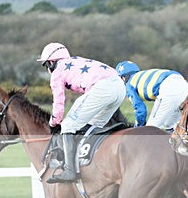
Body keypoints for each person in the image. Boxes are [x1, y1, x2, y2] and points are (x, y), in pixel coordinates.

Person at [37, 42, 126, 183]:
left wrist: (54, 122)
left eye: (46, 65)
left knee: (67, 125)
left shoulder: (57, 72)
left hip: (102, 88)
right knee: (95, 124)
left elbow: (59, 103)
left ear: (52, 62)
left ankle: (70, 171)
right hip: (120, 87)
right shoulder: (76, 60)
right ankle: (93, 159)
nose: (47, 69)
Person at [115, 61, 188, 131]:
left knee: (149, 130)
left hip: (169, 89)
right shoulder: (142, 75)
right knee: (169, 126)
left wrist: (137, 128)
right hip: (185, 85)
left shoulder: (129, 85)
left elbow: (140, 110)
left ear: (123, 78)